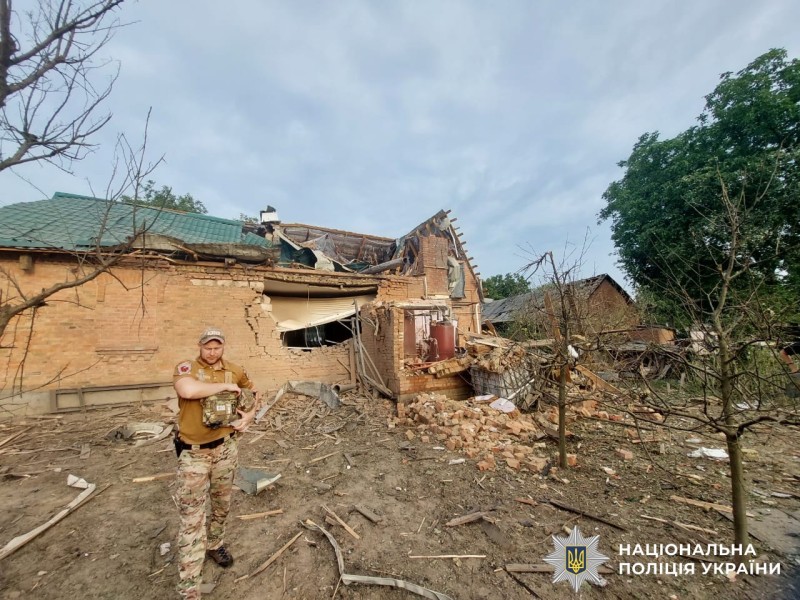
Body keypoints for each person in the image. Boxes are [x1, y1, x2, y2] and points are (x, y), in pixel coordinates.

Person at [173, 327, 258, 599]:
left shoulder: (235, 369)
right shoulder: (187, 368)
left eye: (217, 347)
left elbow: (253, 392)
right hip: (194, 455)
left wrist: (248, 416)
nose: (213, 352)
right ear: (200, 346)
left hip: (225, 449)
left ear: (223, 347)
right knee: (192, 520)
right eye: (208, 347)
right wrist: (223, 386)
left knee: (222, 505)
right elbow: (187, 390)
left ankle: (215, 544)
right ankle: (189, 589)